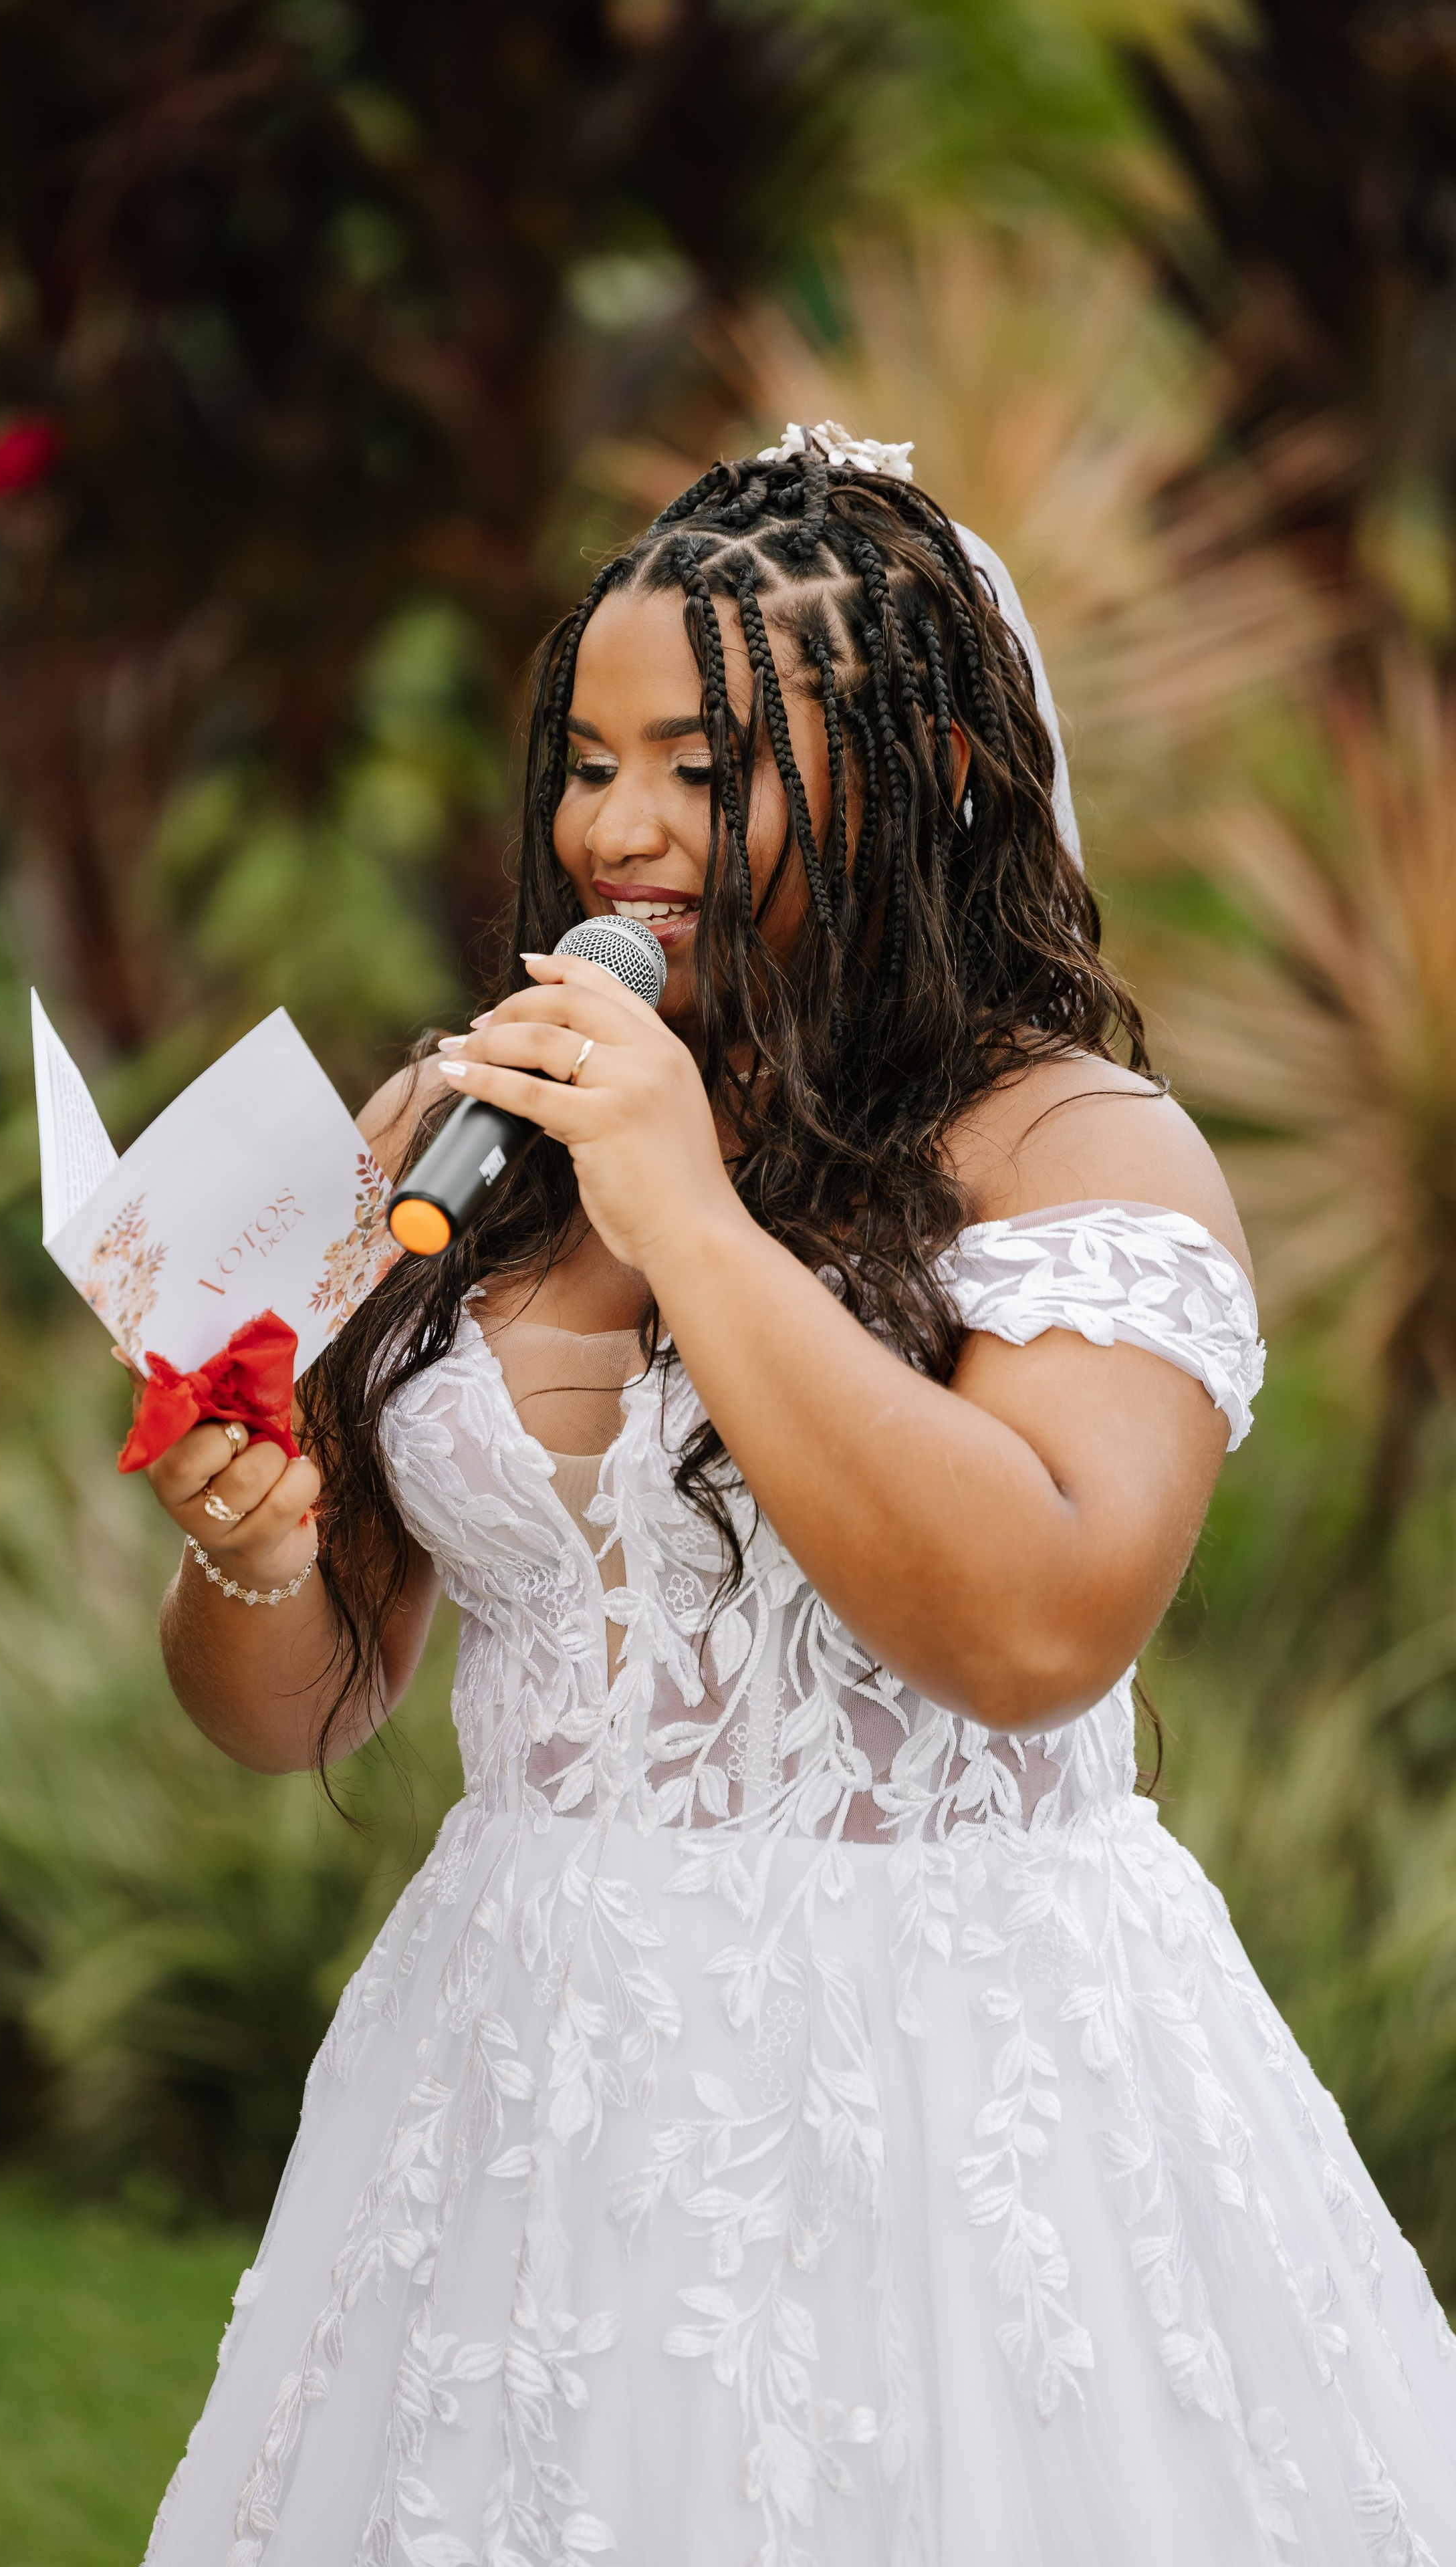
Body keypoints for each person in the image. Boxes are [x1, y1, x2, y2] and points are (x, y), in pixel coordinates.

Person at [139, 424, 1456, 2566]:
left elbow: (1035, 1630)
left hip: (949, 2100)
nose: (619, 828)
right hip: (522, 2093)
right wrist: (253, 1557)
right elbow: (295, 1708)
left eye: (709, 763)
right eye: (590, 763)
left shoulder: (1077, 1151)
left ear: (935, 772)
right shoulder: (462, 1137)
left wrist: (689, 1215)